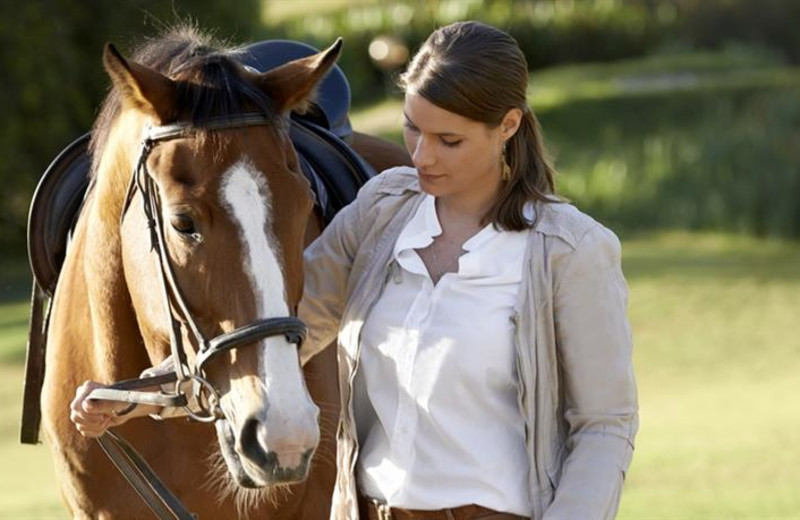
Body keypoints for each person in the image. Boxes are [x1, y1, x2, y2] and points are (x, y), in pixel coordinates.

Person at [72, 21, 638, 519]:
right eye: (412, 129)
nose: (422, 158)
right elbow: (285, 332)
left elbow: (604, 426)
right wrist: (144, 392)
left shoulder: (570, 250)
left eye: (449, 140)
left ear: (508, 126)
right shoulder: (382, 211)